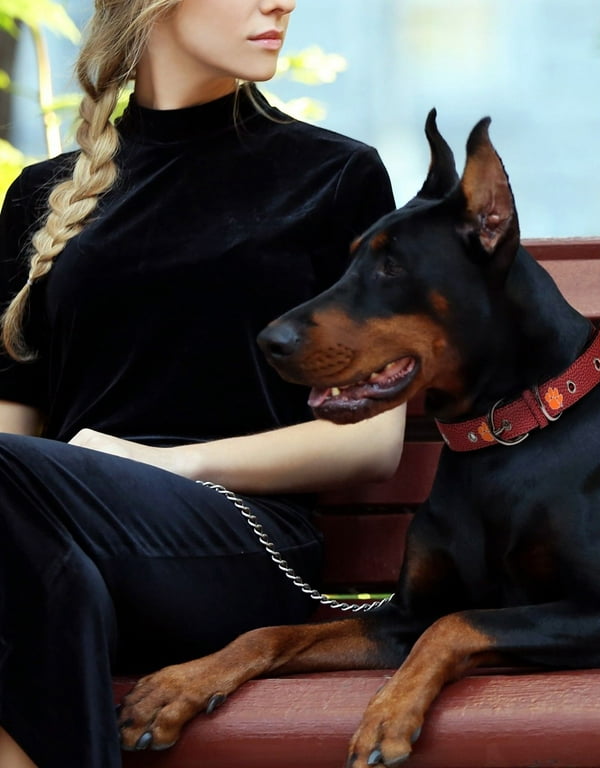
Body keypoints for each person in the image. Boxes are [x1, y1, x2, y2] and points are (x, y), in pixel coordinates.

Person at [0, 0, 406, 765]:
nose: (281, 2)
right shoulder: (40, 194)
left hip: (240, 544)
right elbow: (11, 428)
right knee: (49, 583)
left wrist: (169, 463)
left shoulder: (331, 176)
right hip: (56, 547)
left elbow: (372, 441)